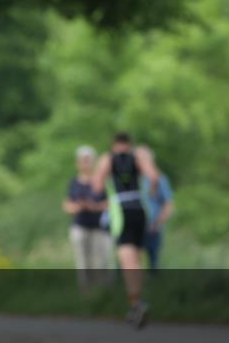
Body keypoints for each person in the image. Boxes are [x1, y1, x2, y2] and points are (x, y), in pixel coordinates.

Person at [91, 133, 161, 328]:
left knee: (126, 259)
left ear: (114, 144)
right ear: (129, 144)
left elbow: (96, 185)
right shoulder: (138, 157)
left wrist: (104, 190)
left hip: (121, 211)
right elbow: (154, 178)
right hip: (139, 209)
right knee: (137, 259)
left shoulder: (108, 158)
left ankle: (136, 303)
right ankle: (138, 300)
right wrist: (151, 190)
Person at [63, 146, 112, 291]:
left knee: (101, 261)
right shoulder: (74, 182)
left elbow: (111, 203)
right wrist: (78, 207)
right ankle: (86, 291)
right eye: (82, 161)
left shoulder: (102, 181)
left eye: (88, 160)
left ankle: (103, 292)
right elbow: (67, 204)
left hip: (100, 227)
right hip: (80, 226)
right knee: (83, 262)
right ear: (77, 163)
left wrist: (94, 207)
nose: (85, 163)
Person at [135, 146, 175, 271]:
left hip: (152, 227)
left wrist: (157, 223)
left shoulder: (160, 179)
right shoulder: (131, 180)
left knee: (153, 261)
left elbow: (168, 205)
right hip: (133, 227)